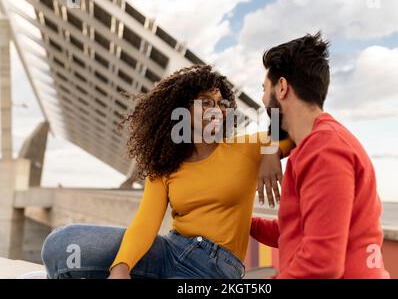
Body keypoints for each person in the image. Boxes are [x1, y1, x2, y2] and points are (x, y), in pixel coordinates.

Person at [41, 65, 294, 279]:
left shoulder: (247, 147)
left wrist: (271, 150)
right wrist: (121, 268)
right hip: (170, 250)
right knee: (61, 243)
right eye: (206, 102)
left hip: (217, 267)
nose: (217, 109)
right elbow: (146, 222)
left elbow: (296, 129)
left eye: (220, 103)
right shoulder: (165, 165)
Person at [251, 32, 390, 279]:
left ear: (282, 87)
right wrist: (244, 222)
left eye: (264, 89)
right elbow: (293, 231)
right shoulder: (316, 143)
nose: (262, 99)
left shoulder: (325, 149)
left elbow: (321, 265)